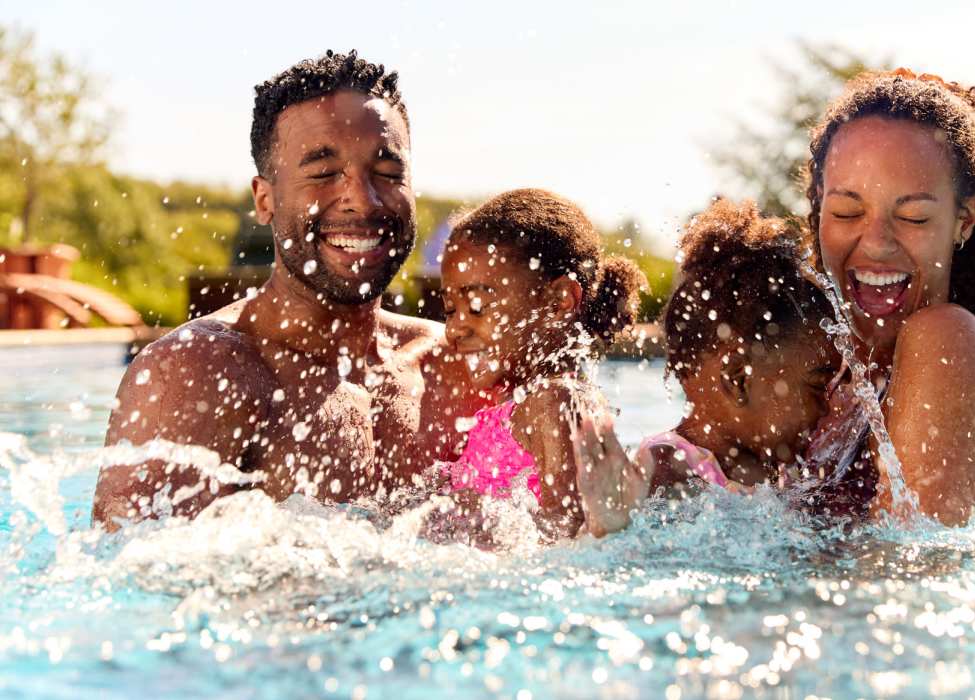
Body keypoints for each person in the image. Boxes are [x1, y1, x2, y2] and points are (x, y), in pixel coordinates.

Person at [91, 51, 483, 528]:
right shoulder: (198, 373)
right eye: (322, 173)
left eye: (387, 173)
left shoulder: (456, 365)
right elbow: (131, 581)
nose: (362, 199)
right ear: (264, 198)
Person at [803, 68, 975, 524]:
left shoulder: (948, 341)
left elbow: (911, 570)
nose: (876, 243)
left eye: (913, 217)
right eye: (848, 211)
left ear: (964, 220)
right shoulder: (823, 363)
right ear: (818, 204)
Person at [573, 199, 842, 535]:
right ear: (738, 380)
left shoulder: (781, 472)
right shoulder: (666, 469)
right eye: (818, 386)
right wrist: (613, 529)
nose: (828, 407)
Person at [437, 188, 647, 539]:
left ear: (560, 300)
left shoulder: (554, 401)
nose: (454, 327)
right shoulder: (526, 400)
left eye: (476, 306)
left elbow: (565, 534)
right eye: (449, 310)